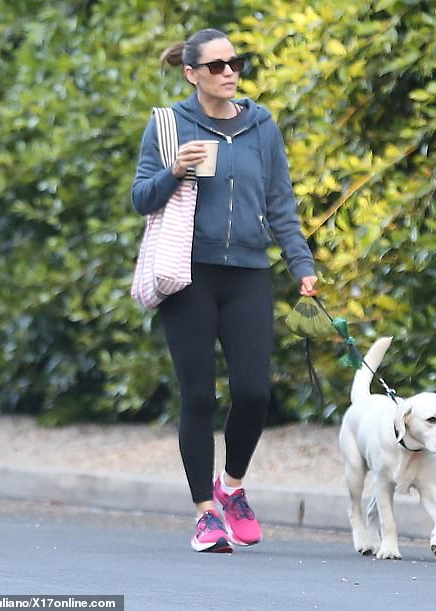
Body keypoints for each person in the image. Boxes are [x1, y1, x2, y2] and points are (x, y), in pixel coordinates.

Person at [131, 28, 318, 553]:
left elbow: (281, 201)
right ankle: (204, 514)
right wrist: (175, 170)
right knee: (197, 396)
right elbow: (141, 198)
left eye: (235, 62)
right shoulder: (169, 125)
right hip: (188, 276)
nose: (230, 72)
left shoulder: (261, 126)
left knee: (255, 391)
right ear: (192, 74)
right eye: (216, 66)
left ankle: (231, 486)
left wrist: (300, 263)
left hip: (248, 273)